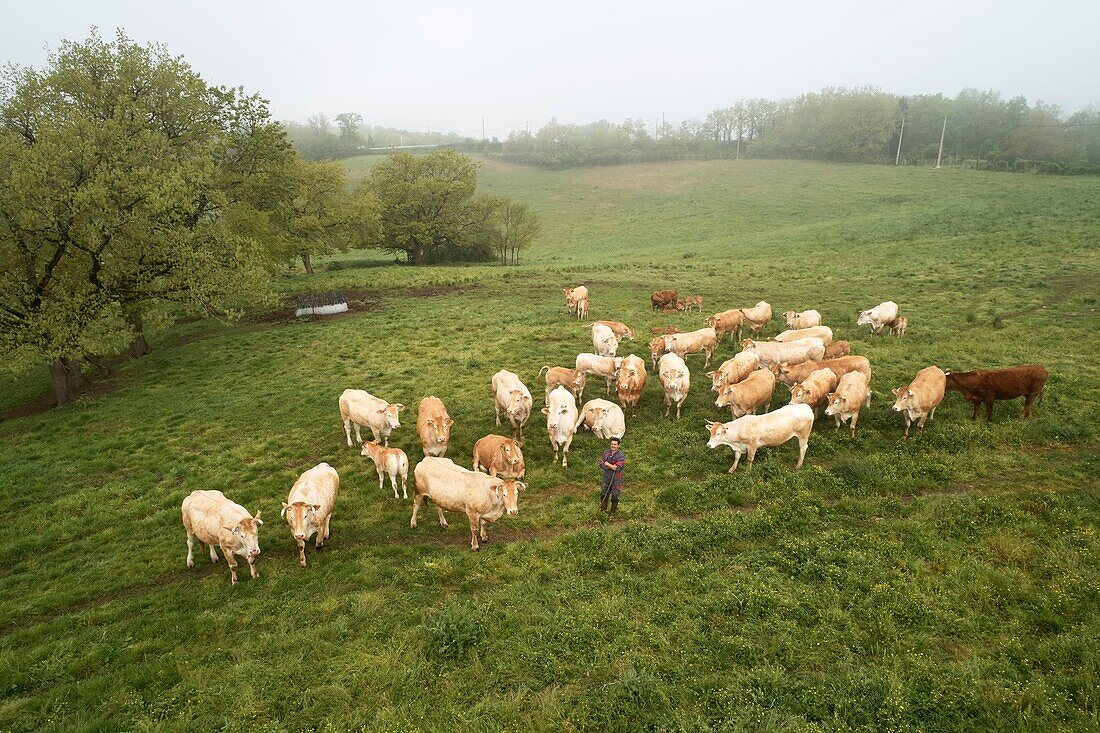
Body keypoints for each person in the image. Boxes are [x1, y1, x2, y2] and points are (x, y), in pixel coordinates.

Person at [598, 437, 626, 516]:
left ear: (618, 446)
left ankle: (613, 513)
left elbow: (617, 468)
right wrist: (610, 466)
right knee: (604, 494)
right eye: (612, 444)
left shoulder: (621, 455)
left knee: (615, 495)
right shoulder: (606, 453)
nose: (613, 446)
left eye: (615, 444)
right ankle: (602, 511)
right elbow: (601, 464)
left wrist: (608, 464)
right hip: (606, 477)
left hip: (616, 479)